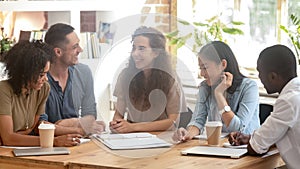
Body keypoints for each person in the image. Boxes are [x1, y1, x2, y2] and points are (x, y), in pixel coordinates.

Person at [229, 45, 300, 169]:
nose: (259, 77)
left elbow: (256, 148)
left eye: (260, 72)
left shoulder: (288, 101)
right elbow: (274, 134)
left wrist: (253, 141)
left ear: (273, 76)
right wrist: (250, 138)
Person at [173, 41, 260, 142]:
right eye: (200, 68)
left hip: (244, 148)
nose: (202, 73)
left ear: (223, 64)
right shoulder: (205, 87)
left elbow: (237, 129)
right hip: (218, 146)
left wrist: (219, 94)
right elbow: (198, 120)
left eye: (205, 68)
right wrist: (187, 133)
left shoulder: (249, 87)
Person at [0, 40, 81, 146]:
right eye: (41, 75)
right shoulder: (3, 90)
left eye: (46, 73)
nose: (46, 79)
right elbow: (9, 139)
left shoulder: (43, 89)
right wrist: (53, 141)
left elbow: (37, 127)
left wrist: (77, 131)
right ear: (24, 73)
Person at [109, 26, 187, 133]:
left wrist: (134, 127)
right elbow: (118, 114)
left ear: (156, 53)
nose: (135, 53)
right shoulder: (125, 75)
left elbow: (173, 121)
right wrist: (116, 124)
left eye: (141, 48)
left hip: (161, 137)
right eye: (134, 48)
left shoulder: (170, 78)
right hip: (131, 138)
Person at [40, 23, 105, 136]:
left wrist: (70, 122)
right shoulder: (40, 78)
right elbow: (41, 125)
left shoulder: (84, 72)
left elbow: (90, 114)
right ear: (58, 52)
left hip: (79, 142)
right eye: (75, 47)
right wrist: (79, 126)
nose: (80, 50)